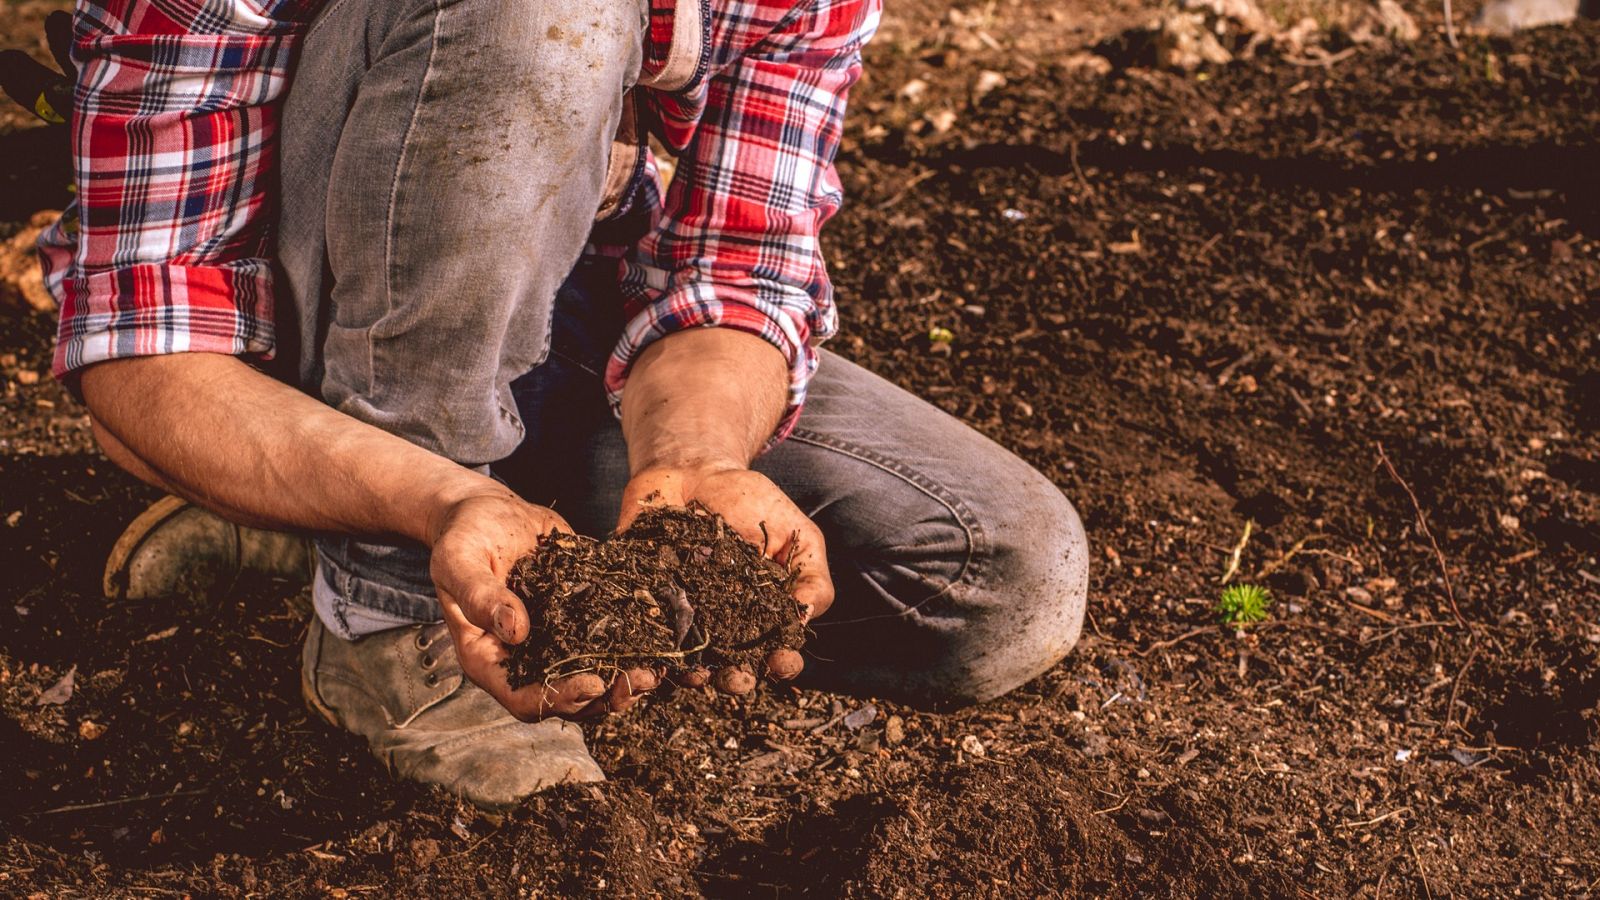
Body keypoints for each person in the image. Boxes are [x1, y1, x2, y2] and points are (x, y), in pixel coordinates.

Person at [5, 0, 1088, 810]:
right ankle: (382, 612)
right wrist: (434, 503)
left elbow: (737, 269)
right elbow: (141, 355)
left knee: (991, 578)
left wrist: (697, 460)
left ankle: (337, 510)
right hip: (291, 308)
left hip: (549, 303)